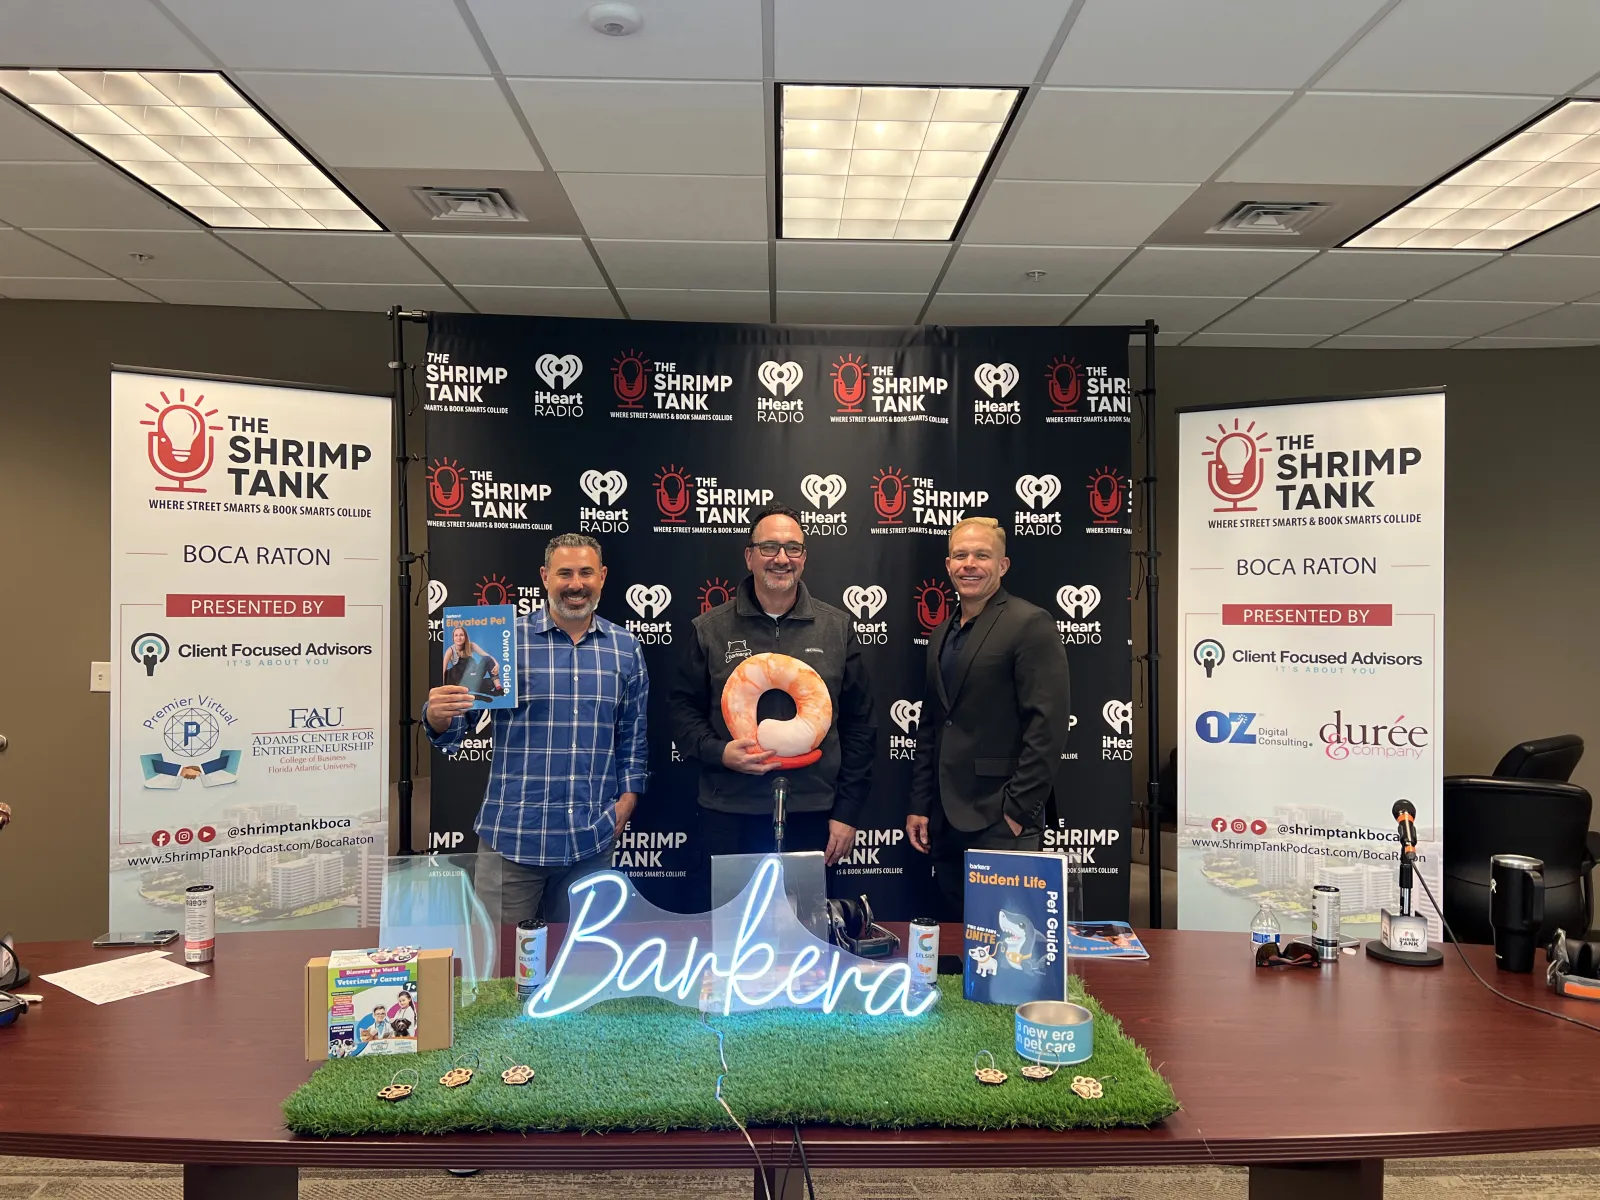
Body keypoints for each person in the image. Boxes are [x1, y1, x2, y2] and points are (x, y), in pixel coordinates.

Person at [425, 533, 648, 924]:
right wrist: (437, 715)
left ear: (602, 577)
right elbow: (459, 724)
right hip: (512, 840)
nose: (575, 584)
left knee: (582, 970)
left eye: (585, 573)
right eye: (564, 573)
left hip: (591, 842)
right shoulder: (507, 644)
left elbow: (633, 733)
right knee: (499, 974)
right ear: (545, 577)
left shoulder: (625, 648)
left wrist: (627, 800)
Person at [669, 503, 877, 894]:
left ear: (804, 558)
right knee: (730, 936)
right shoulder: (710, 630)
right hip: (730, 812)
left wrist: (847, 812)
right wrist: (719, 751)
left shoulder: (836, 629)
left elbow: (860, 726)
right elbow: (681, 711)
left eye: (792, 548)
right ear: (749, 556)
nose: (781, 559)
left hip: (813, 812)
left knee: (806, 936)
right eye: (769, 548)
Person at [907, 517, 1072, 923]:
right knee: (964, 936)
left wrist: (1017, 810)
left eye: (982, 555)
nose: (970, 564)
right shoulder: (941, 631)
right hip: (945, 819)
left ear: (1003, 565)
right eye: (960, 555)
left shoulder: (1030, 623)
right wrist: (921, 804)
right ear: (948, 565)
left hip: (1001, 818)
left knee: (1009, 946)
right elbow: (932, 725)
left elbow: (1047, 726)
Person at [441, 623, 502, 696]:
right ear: (453, 638)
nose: (459, 638)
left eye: (461, 635)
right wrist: (444, 690)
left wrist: (496, 664)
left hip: (473, 675)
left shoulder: (471, 645)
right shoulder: (450, 651)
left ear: (465, 637)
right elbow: (443, 670)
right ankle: (474, 689)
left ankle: (498, 688)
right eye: (456, 635)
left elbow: (486, 655)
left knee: (491, 681)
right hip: (461, 680)